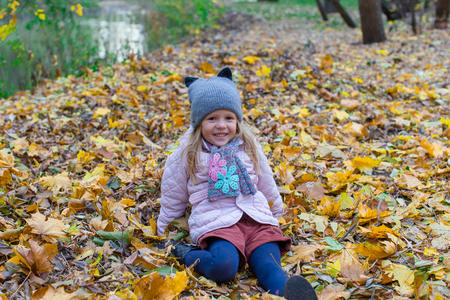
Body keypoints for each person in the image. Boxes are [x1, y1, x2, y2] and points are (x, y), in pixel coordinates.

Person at [157, 67, 317, 300]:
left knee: (268, 266)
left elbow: (265, 180)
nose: (221, 125)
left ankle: (288, 294)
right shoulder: (188, 153)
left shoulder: (248, 146)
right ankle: (184, 254)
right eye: (212, 119)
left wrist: (275, 211)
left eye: (228, 118)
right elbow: (174, 192)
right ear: (199, 122)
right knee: (223, 266)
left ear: (237, 120)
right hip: (217, 221)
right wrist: (165, 227)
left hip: (255, 218)